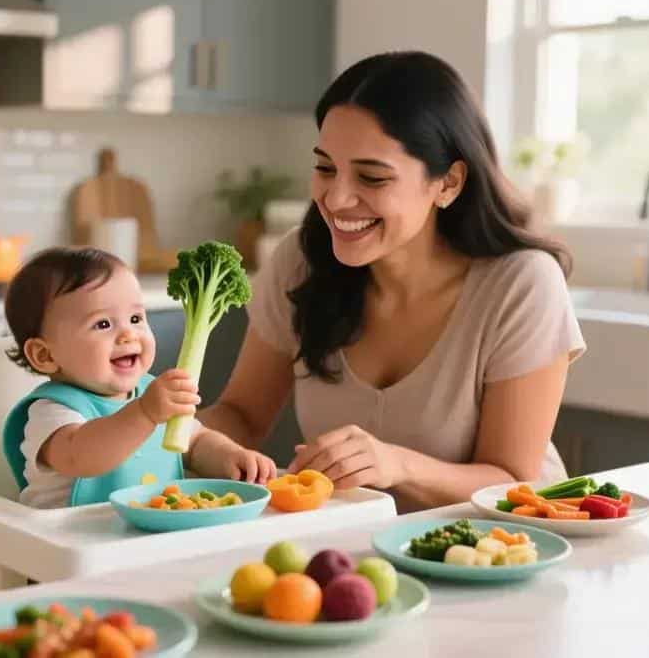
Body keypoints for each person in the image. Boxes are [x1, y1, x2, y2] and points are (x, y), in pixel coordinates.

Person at [198, 51, 585, 512]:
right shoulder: (300, 261)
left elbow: (513, 483)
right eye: (325, 168)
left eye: (372, 177)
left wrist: (396, 465)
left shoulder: (521, 284)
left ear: (449, 183)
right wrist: (163, 431)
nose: (336, 199)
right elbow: (241, 414)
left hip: (507, 549)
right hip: (360, 550)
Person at [1, 247, 275, 509]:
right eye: (103, 324)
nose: (128, 334)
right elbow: (80, 455)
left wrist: (231, 457)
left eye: (135, 318)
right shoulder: (51, 412)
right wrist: (144, 413)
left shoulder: (152, 394)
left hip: (146, 537)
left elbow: (195, 442)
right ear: (45, 355)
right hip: (68, 544)